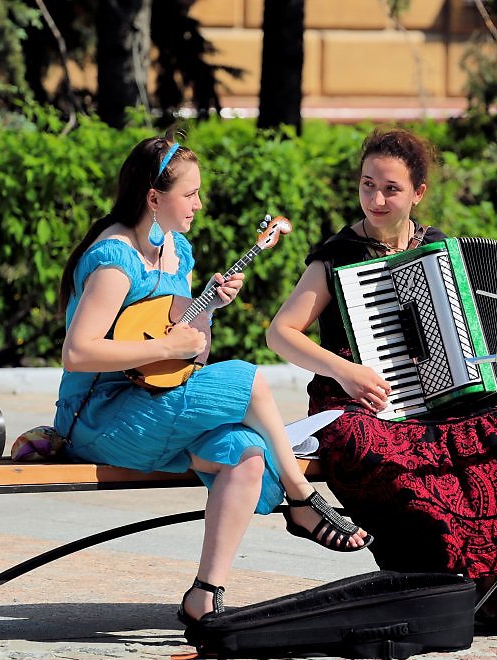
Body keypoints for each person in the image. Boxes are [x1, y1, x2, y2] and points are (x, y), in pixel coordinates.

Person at [267, 127, 497, 629]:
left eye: (390, 189)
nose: (375, 198)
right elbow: (280, 333)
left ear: (417, 193)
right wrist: (344, 369)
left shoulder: (440, 250)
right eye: (367, 184)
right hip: (358, 393)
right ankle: (434, 590)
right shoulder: (338, 254)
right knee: (375, 447)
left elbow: (478, 339)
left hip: (439, 398)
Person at [54, 135, 373, 629]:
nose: (198, 205)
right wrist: (166, 347)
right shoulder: (116, 259)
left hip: (154, 404)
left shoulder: (175, 250)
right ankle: (300, 497)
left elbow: (189, 350)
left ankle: (204, 594)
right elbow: (77, 354)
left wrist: (207, 312)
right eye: (189, 194)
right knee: (247, 378)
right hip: (101, 417)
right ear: (153, 197)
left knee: (245, 451)